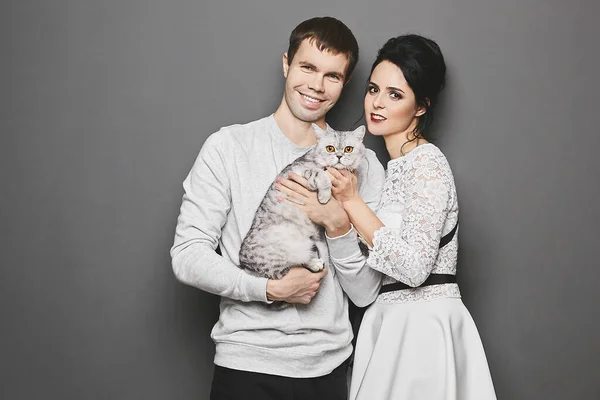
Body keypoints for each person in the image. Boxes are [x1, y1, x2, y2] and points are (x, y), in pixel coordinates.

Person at [170, 16, 385, 400]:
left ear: (345, 83)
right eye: (307, 67)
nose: (317, 86)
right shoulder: (229, 147)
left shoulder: (363, 165)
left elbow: (367, 293)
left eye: (332, 76)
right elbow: (188, 255)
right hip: (246, 364)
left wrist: (338, 226)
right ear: (287, 63)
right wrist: (268, 289)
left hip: (328, 368)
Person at [281, 34, 496, 399]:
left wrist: (351, 202)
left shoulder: (428, 164)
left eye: (395, 95)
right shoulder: (389, 167)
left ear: (421, 106)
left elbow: (414, 269)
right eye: (373, 89)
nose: (377, 103)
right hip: (388, 322)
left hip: (423, 327)